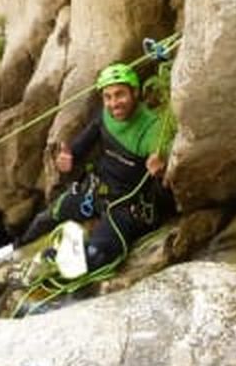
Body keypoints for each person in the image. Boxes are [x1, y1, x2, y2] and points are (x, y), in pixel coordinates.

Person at [19, 63, 172, 273]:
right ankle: (15, 252)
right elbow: (81, 145)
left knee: (96, 255)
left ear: (135, 93)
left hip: (127, 207)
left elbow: (166, 191)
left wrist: (160, 172)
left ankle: (62, 262)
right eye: (107, 97)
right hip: (95, 192)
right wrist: (69, 158)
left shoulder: (152, 130)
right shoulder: (105, 116)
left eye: (120, 95)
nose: (113, 103)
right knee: (42, 220)